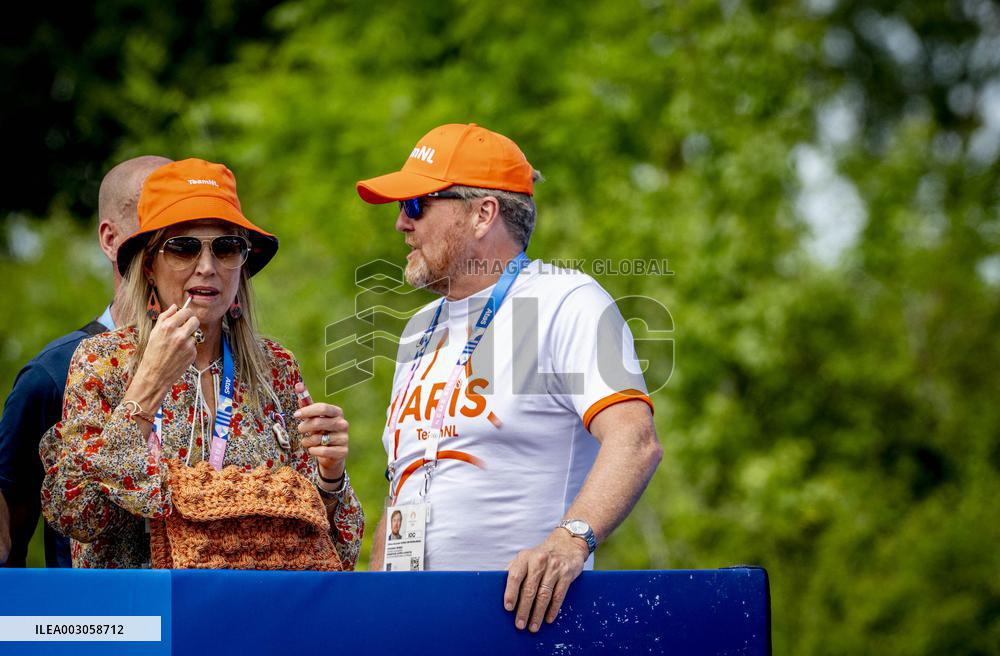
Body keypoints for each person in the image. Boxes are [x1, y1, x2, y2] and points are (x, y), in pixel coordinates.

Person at [357, 124, 663, 631]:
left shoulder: (568, 300)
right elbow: (405, 488)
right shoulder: (417, 329)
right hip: (417, 625)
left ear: (482, 213)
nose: (400, 225)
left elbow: (635, 440)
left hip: (524, 626)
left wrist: (570, 541)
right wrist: (375, 613)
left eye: (415, 205)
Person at [39, 158, 363, 569]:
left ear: (242, 267)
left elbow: (336, 550)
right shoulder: (103, 361)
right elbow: (76, 513)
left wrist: (330, 476)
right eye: (184, 246)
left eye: (226, 247)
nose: (207, 267)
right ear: (149, 265)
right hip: (142, 621)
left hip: (250, 619)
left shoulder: (275, 367)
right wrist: (147, 387)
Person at [0, 155, 171, 567]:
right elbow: (8, 544)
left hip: (211, 616)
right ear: (111, 240)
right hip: (100, 623)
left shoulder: (238, 364)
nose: (175, 250)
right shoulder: (54, 373)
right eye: (161, 229)